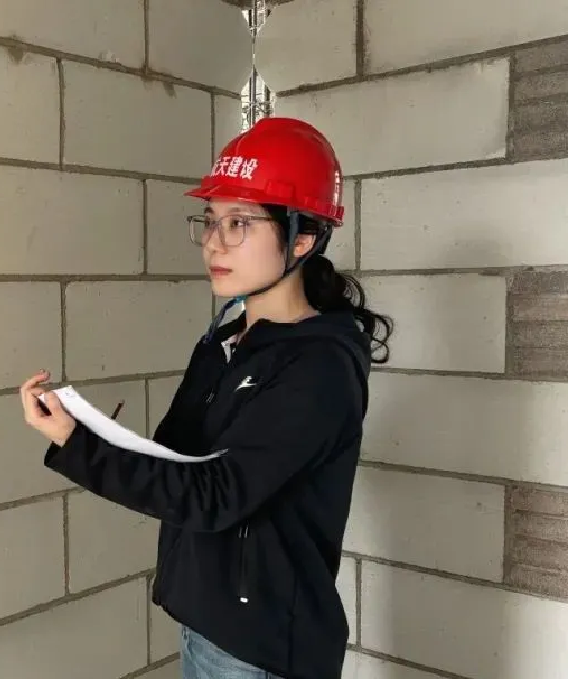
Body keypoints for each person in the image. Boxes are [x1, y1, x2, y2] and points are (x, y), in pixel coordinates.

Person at [19, 117, 393, 679]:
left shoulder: (319, 368)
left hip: (258, 648)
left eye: (239, 223)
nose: (215, 242)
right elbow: (177, 455)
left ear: (303, 238)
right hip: (209, 622)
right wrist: (83, 429)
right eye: (212, 220)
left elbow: (214, 495)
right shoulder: (228, 338)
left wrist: (78, 446)